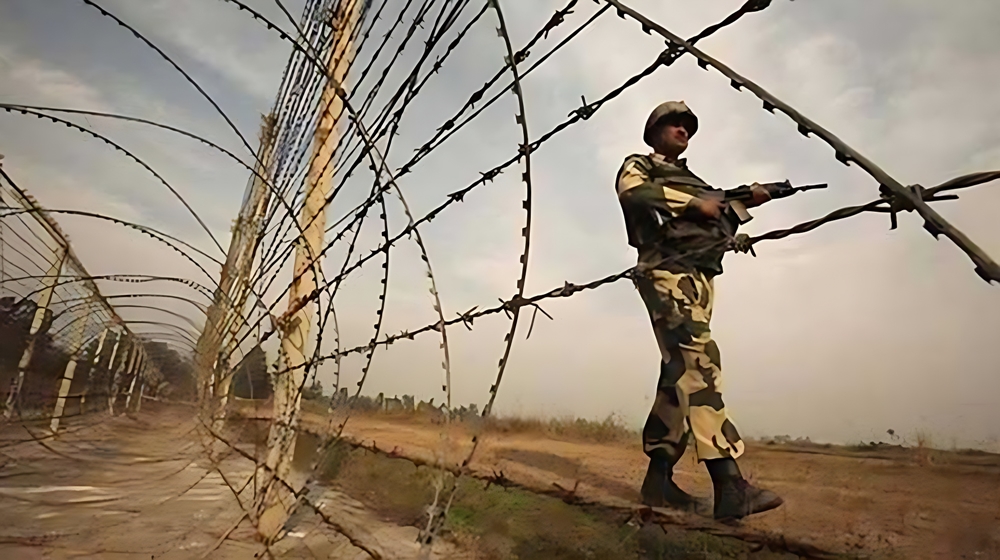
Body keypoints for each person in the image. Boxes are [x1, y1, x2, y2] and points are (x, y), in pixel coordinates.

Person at [615, 101, 784, 521]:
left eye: (687, 126)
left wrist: (748, 201)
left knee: (679, 373)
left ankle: (658, 481)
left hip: (701, 277)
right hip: (664, 271)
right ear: (653, 131)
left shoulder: (697, 181)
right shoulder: (641, 165)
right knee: (702, 363)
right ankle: (729, 484)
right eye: (673, 123)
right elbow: (633, 193)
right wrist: (696, 203)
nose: (682, 129)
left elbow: (716, 220)